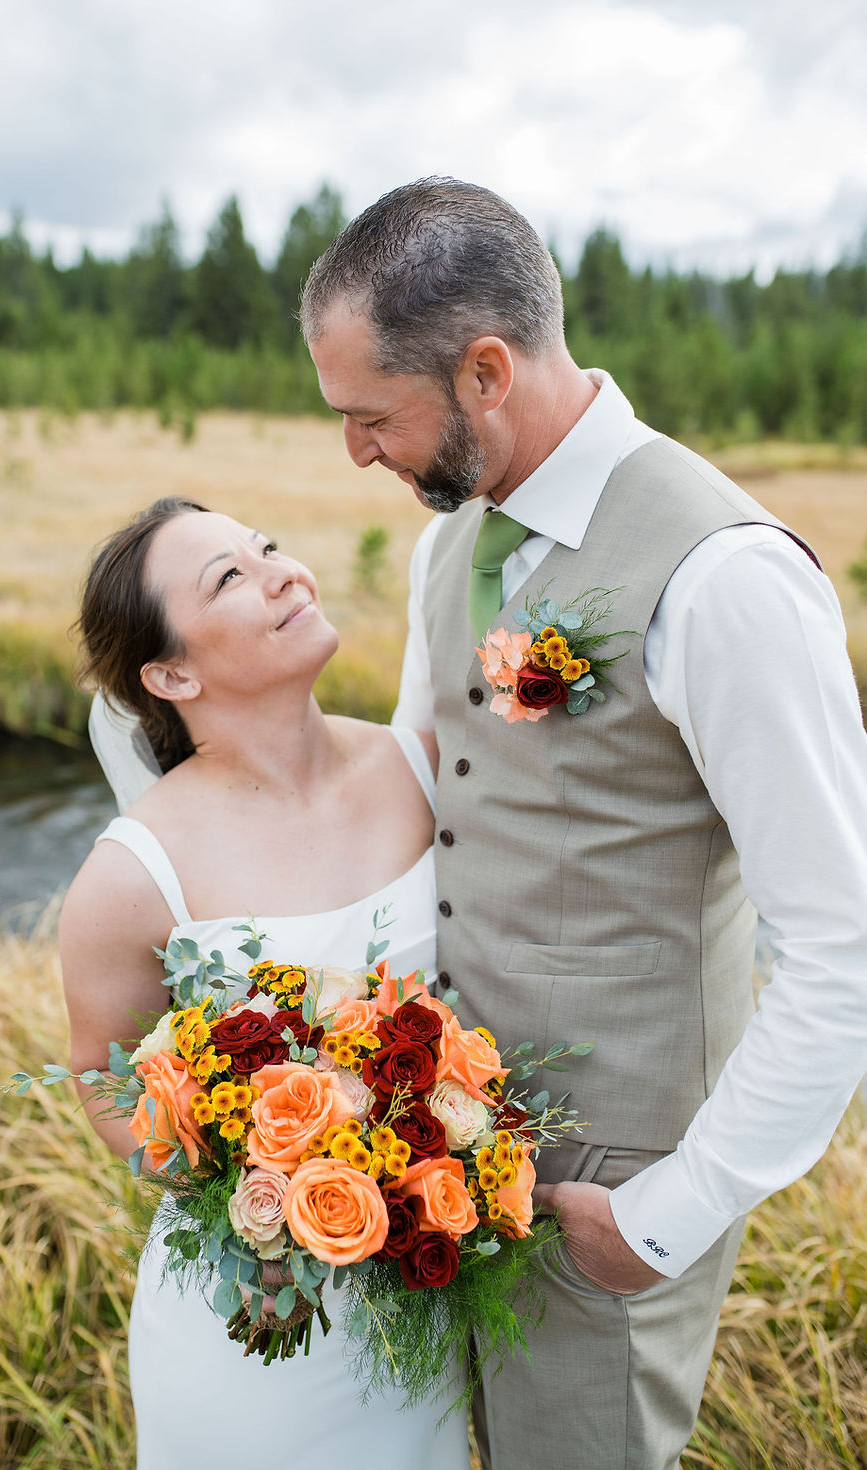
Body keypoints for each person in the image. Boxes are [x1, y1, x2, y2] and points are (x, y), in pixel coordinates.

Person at [294, 178, 867, 1470]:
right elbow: (431, 791)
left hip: (614, 1192)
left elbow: (843, 946)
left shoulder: (727, 579)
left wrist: (670, 1213)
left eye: (371, 416)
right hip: (434, 1155)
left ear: (485, 371)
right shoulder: (453, 543)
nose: (357, 453)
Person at [60, 497, 470, 1470]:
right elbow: (99, 1074)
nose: (283, 572)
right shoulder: (131, 875)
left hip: (419, 1289)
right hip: (251, 1319)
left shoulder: (423, 769)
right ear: (172, 675)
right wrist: (249, 1199)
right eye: (231, 578)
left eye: (268, 548)